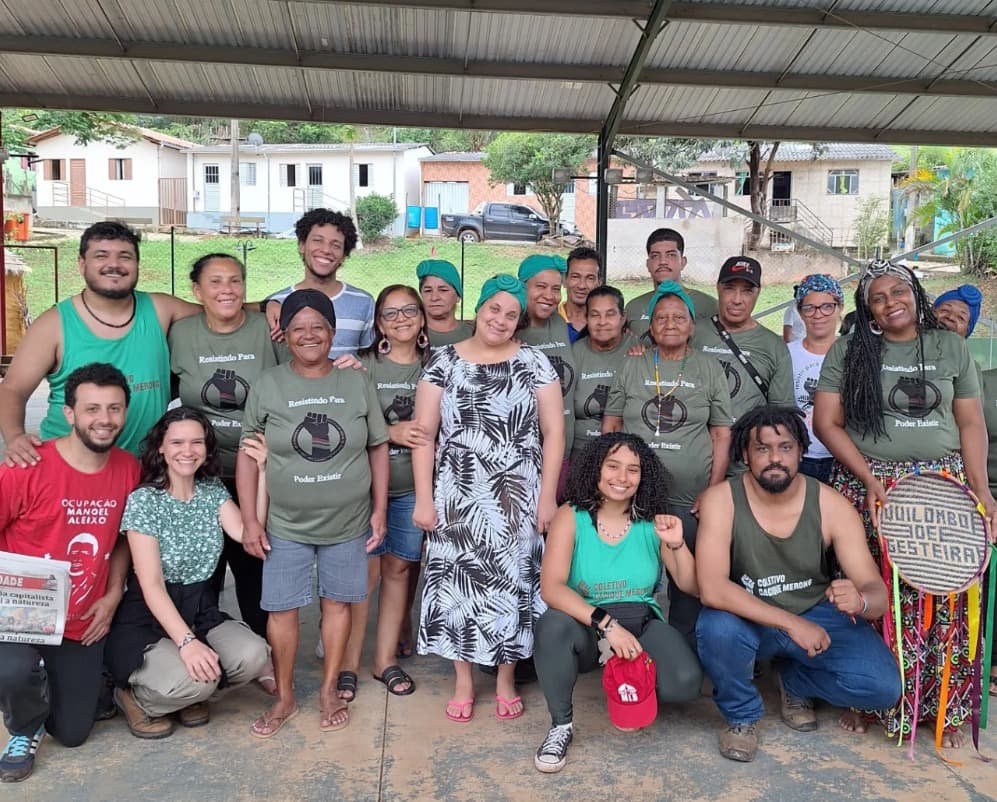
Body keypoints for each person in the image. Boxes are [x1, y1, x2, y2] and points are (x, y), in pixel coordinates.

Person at [814, 259, 996, 748]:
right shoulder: (850, 350)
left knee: (946, 600)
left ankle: (942, 706)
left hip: (943, 488)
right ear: (866, 309)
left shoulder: (950, 348)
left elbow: (971, 424)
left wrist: (981, 490)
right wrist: (871, 479)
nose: (890, 301)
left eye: (899, 291)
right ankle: (869, 700)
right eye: (878, 296)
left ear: (917, 295)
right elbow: (826, 423)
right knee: (873, 594)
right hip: (870, 486)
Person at [695, 406, 901, 763]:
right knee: (716, 628)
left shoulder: (831, 505)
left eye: (785, 447)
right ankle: (741, 717)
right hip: (751, 615)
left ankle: (795, 682)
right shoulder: (721, 500)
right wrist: (792, 624)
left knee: (882, 688)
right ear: (744, 454)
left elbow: (876, 592)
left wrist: (861, 601)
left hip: (815, 611)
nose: (775, 458)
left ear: (801, 450)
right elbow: (712, 588)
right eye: (762, 449)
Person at [237, 289, 389, 738]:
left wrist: (379, 510)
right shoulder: (269, 384)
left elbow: (377, 446)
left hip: (348, 522)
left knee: (337, 604)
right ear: (284, 335)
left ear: (332, 332)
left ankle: (327, 689)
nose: (308, 336)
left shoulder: (356, 381)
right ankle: (285, 696)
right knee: (282, 611)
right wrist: (250, 519)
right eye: (298, 328)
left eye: (317, 327)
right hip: (285, 524)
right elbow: (248, 454)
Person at [412, 274, 564, 723]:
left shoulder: (535, 362)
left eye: (511, 314)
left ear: (520, 321)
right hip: (457, 494)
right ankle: (463, 680)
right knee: (457, 587)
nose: (500, 319)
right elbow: (424, 437)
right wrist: (425, 499)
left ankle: (503, 678)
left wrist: (547, 498)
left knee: (512, 586)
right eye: (493, 309)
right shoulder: (443, 362)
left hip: (518, 495)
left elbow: (555, 432)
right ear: (477, 309)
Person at [0, 363, 139, 783]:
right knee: (13, 671)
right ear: (69, 413)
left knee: (73, 732)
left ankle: (58, 688)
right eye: (92, 408)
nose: (104, 419)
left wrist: (113, 595)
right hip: (21, 617)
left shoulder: (129, 469)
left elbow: (122, 540)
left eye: (114, 409)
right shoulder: (25, 466)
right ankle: (24, 726)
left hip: (80, 620)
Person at [532, 433, 703, 773]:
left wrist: (677, 544)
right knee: (551, 626)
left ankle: (625, 681)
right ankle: (560, 725)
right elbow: (550, 588)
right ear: (596, 468)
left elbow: (691, 585)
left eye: (633, 470)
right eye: (613, 466)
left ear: (644, 476)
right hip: (585, 625)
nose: (622, 478)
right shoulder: (571, 516)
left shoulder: (654, 520)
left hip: (639, 622)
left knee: (685, 683)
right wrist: (608, 627)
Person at [105, 408, 270, 739]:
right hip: (148, 616)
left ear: (207, 448)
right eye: (177, 442)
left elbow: (249, 533)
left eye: (197, 442)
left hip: (200, 610)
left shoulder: (212, 493)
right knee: (197, 680)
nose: (187, 450)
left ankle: (191, 693)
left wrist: (263, 470)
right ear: (161, 448)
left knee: (255, 655)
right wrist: (187, 643)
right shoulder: (145, 501)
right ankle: (133, 696)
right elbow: (151, 586)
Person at [0, 222, 201, 463]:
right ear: (82, 264)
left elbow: (222, 314)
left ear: (137, 264)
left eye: (124, 256)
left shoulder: (160, 309)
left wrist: (260, 307)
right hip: (72, 469)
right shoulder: (53, 325)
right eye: (101, 255)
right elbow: (12, 388)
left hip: (145, 470)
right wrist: (15, 437)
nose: (114, 265)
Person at [603, 281, 732, 646]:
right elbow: (611, 425)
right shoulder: (632, 364)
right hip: (632, 495)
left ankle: (679, 650)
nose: (670, 323)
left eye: (679, 317)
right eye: (661, 317)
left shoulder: (709, 369)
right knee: (631, 577)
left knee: (686, 582)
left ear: (692, 325)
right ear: (651, 325)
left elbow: (722, 434)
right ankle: (626, 652)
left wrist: (713, 490)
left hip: (688, 496)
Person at [167, 253, 278, 670]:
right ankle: (201, 659)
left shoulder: (269, 329)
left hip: (257, 473)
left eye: (235, 281)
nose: (227, 290)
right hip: (199, 474)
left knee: (254, 568)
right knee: (202, 571)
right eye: (215, 282)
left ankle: (264, 660)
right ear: (197, 292)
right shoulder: (181, 334)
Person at [339, 285, 431, 700]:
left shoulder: (438, 366)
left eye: (409, 310)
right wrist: (390, 431)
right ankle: (346, 664)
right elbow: (344, 428)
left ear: (422, 318)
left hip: (413, 488)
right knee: (365, 576)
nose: (401, 319)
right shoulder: (361, 367)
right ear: (378, 324)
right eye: (390, 314)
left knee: (398, 572)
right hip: (365, 489)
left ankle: (383, 662)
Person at [691, 256, 795, 424]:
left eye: (747, 291)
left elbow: (782, 415)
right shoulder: (692, 333)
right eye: (730, 289)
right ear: (718, 288)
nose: (737, 300)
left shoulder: (774, 346)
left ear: (758, 292)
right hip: (698, 443)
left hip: (745, 444)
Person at [264, 209, 375, 358]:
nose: (326, 250)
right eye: (318, 240)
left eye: (336, 245)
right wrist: (265, 305)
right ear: (302, 245)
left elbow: (369, 361)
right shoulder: (275, 304)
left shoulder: (364, 303)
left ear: (343, 256)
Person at [517, 254, 577, 465]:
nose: (549, 295)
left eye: (555, 289)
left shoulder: (559, 323)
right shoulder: (510, 328)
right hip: (524, 456)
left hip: (563, 450)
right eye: (540, 286)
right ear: (522, 287)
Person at [786, 275, 844, 483]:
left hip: (842, 457)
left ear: (840, 308)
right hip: (798, 456)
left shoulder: (854, 353)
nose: (818, 314)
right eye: (809, 308)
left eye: (827, 306)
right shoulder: (786, 354)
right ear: (800, 313)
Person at [570, 286, 633, 460]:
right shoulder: (574, 354)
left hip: (626, 453)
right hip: (581, 452)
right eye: (595, 315)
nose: (602, 321)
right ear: (586, 318)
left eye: (610, 314)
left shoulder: (639, 351)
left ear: (623, 318)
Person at [623, 228, 718, 339]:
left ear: (683, 262)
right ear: (648, 264)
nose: (663, 261)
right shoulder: (633, 308)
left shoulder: (709, 306)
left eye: (671, 255)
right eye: (655, 256)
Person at [417, 259, 473, 347]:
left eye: (443, 290)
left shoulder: (475, 334)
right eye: (428, 291)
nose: (434, 297)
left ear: (458, 296)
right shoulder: (410, 333)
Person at [559, 247, 601, 343]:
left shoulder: (608, 323)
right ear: (564, 280)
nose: (582, 285)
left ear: (599, 282)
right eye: (575, 277)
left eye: (590, 278)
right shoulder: (549, 319)